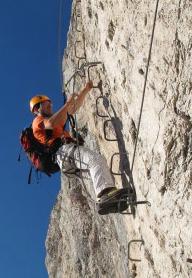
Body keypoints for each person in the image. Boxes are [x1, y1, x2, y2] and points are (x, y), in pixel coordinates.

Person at [29, 80, 132, 215]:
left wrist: (85, 90)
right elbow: (52, 123)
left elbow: (73, 108)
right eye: (45, 103)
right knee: (95, 160)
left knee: (101, 171)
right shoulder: (38, 121)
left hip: (66, 162)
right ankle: (105, 196)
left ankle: (110, 201)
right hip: (64, 152)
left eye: (50, 103)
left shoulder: (56, 119)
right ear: (37, 109)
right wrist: (67, 103)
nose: (50, 104)